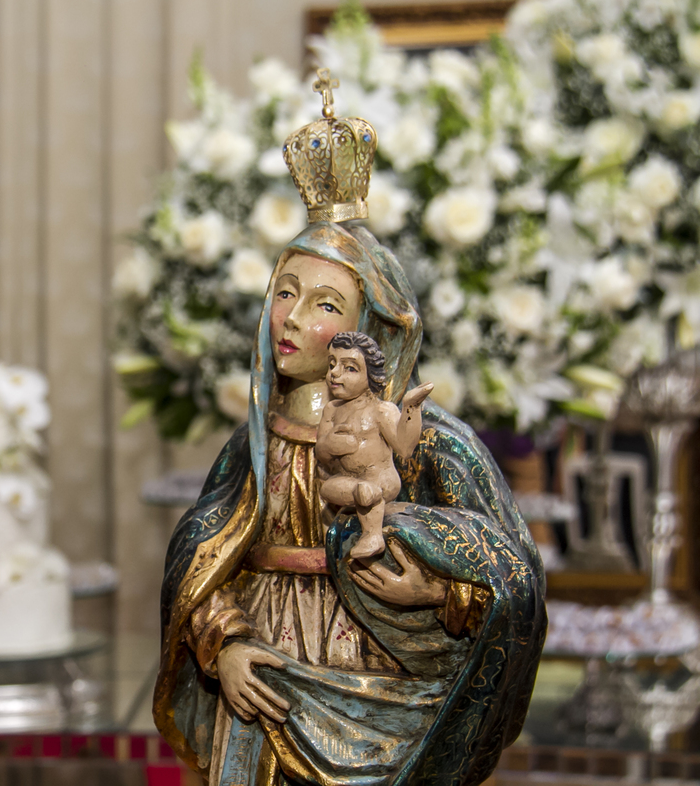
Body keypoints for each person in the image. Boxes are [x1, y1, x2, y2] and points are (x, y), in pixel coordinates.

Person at [153, 219, 546, 786]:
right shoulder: (254, 446)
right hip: (263, 677)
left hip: (377, 662)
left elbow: (509, 574)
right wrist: (227, 645)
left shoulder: (425, 442)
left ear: (368, 330)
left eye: (324, 304)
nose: (290, 316)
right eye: (284, 292)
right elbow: (201, 561)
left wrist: (438, 592)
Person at [315, 331, 433, 559]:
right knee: (328, 488)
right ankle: (362, 493)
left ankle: (372, 536)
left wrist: (411, 407)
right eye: (332, 364)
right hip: (349, 481)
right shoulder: (332, 409)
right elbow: (321, 451)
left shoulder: (381, 410)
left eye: (349, 368)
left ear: (371, 375)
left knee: (370, 488)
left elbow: (405, 448)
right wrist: (332, 445)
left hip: (380, 479)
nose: (335, 373)